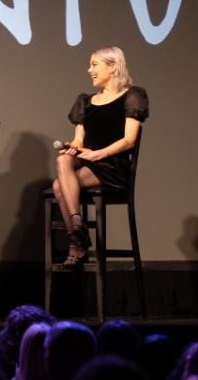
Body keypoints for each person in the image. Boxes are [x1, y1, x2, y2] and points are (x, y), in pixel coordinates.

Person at [51, 46, 148, 268]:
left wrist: (98, 154)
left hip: (113, 165)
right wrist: (72, 147)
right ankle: (77, 225)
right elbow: (79, 140)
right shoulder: (85, 101)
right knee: (62, 159)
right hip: (89, 160)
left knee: (58, 187)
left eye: (94, 64)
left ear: (113, 66)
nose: (89, 70)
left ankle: (77, 244)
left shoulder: (132, 96)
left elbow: (129, 140)